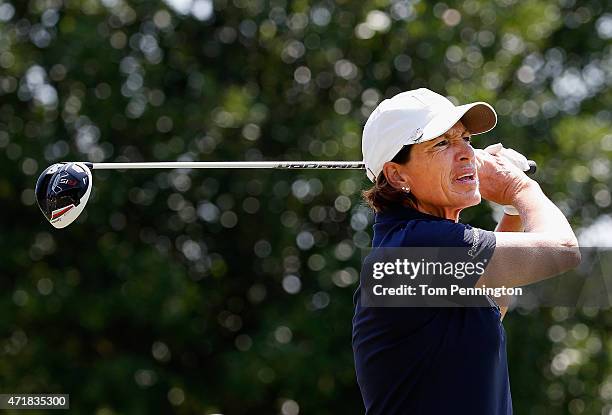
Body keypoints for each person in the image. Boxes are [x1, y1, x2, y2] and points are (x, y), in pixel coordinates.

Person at [352, 88, 580, 415]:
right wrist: (519, 188)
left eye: (466, 140)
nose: (466, 154)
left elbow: (487, 309)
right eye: (442, 143)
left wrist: (512, 211)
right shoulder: (416, 247)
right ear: (397, 174)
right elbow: (563, 251)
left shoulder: (413, 245)